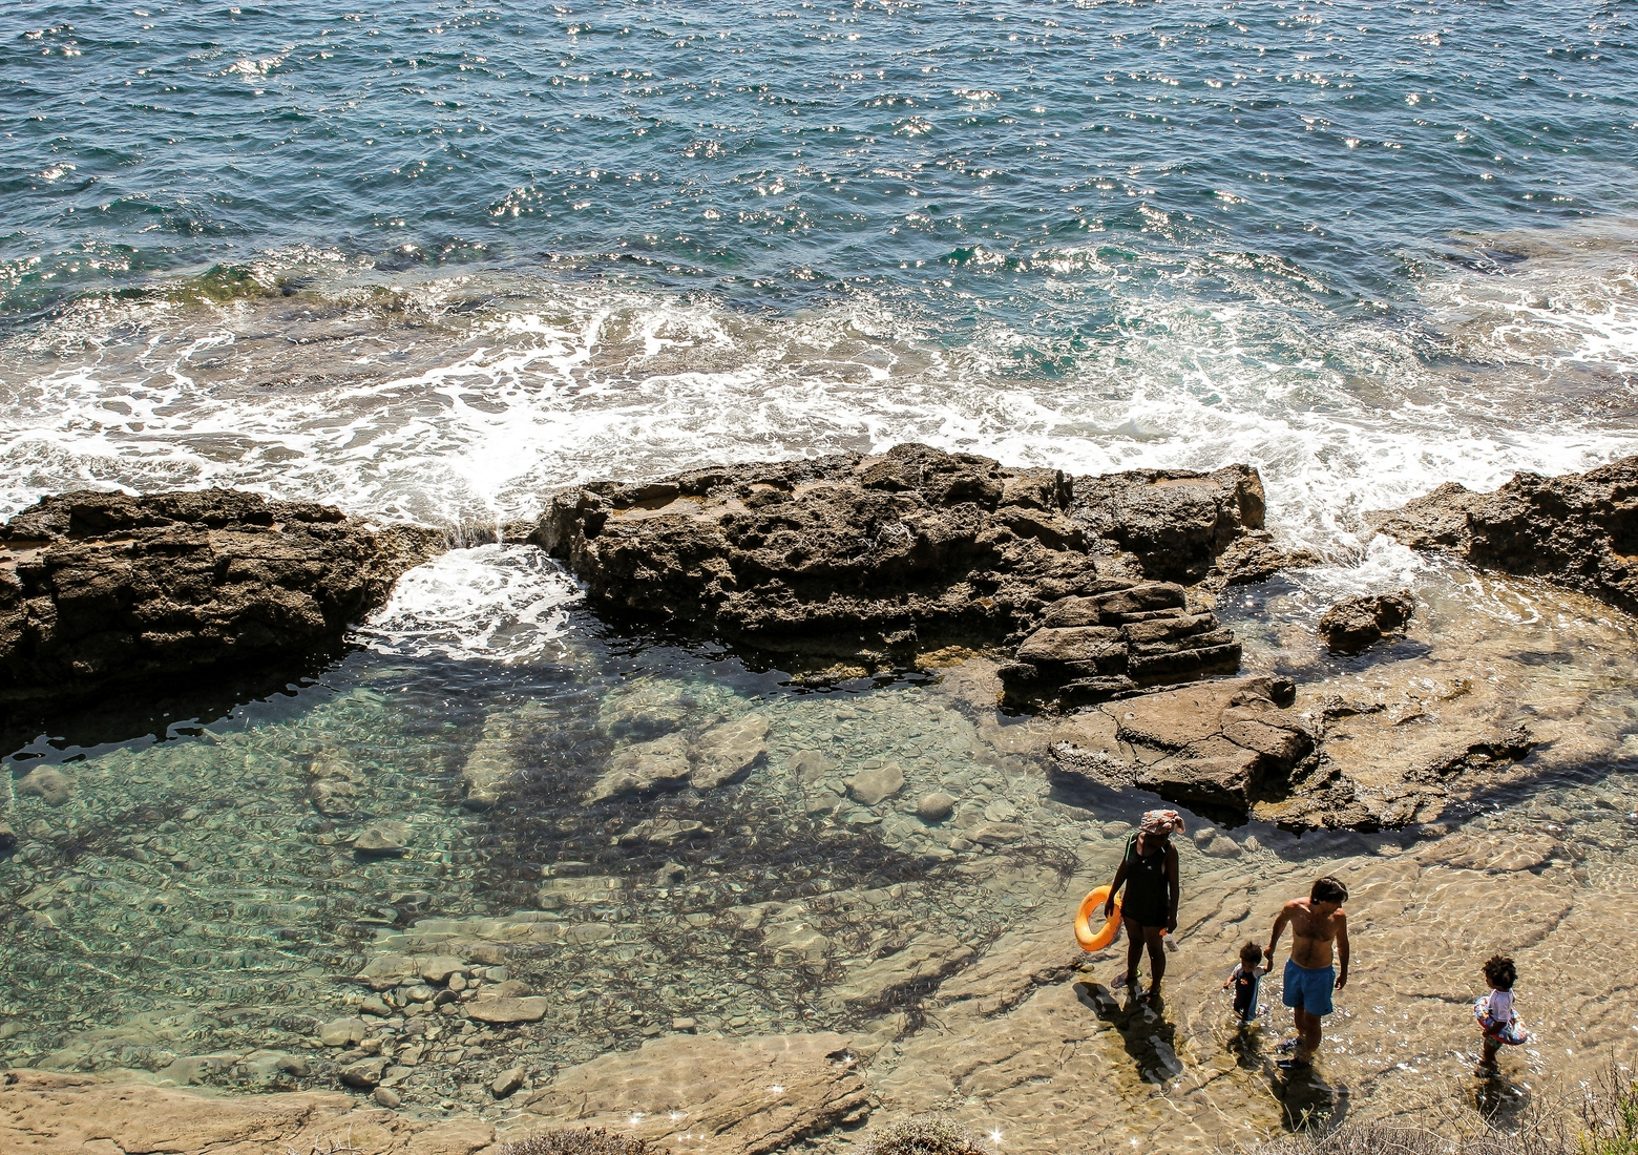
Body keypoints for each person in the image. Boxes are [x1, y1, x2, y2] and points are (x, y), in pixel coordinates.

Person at [1265, 875, 1350, 1068]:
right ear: (1321, 899)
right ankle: (1302, 1040)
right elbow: (1280, 923)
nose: (1339, 906)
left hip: (1319, 974)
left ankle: (1303, 1059)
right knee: (1298, 1010)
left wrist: (1344, 972)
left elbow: (1343, 945)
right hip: (1295, 968)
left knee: (1313, 1020)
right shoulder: (1294, 909)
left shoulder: (1337, 918)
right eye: (1336, 901)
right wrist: (1272, 946)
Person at [1104, 808, 1183, 1005]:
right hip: (1131, 904)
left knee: (1155, 950)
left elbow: (1174, 886)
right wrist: (1111, 894)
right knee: (1134, 941)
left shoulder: (1168, 851)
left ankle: (1155, 987)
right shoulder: (1132, 841)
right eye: (1159, 836)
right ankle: (1131, 973)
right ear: (1148, 833)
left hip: (1155, 910)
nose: (1162, 840)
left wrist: (1172, 916)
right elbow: (1124, 868)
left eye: (1166, 836)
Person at [1474, 954, 1529, 1074]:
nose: (1486, 980)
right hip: (1496, 1021)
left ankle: (1490, 1068)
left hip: (1499, 1029)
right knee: (1488, 1048)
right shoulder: (1507, 991)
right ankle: (1489, 1064)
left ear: (1496, 983)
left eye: (1487, 979)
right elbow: (1512, 1000)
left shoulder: (1501, 1000)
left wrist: (1490, 1031)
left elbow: (1502, 1021)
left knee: (1489, 1050)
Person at [1222, 940, 1264, 1025]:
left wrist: (1270, 959)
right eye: (1244, 964)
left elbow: (1269, 969)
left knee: (1247, 1017)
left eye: (1250, 966)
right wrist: (1228, 981)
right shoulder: (1239, 968)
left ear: (1256, 965)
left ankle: (1260, 1013)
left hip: (1249, 1000)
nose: (1246, 968)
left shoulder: (1256, 972)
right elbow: (1233, 976)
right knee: (1236, 1008)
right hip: (1239, 996)